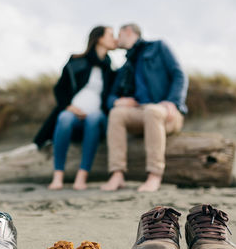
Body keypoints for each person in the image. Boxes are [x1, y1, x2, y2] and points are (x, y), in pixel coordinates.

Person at [100, 23, 188, 192]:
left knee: (152, 111)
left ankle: (155, 175)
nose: (117, 40)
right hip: (141, 113)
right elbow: (111, 96)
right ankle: (117, 174)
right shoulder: (126, 65)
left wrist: (173, 101)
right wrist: (117, 102)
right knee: (117, 113)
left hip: (167, 112)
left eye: (119, 35)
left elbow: (179, 74)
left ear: (128, 32)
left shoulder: (158, 47)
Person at [33, 26, 117, 190]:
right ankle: (58, 176)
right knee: (64, 117)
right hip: (73, 113)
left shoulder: (110, 69)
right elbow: (60, 89)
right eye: (111, 35)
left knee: (93, 118)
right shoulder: (76, 61)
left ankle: (82, 176)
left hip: (97, 117)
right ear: (99, 38)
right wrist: (69, 107)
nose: (114, 39)